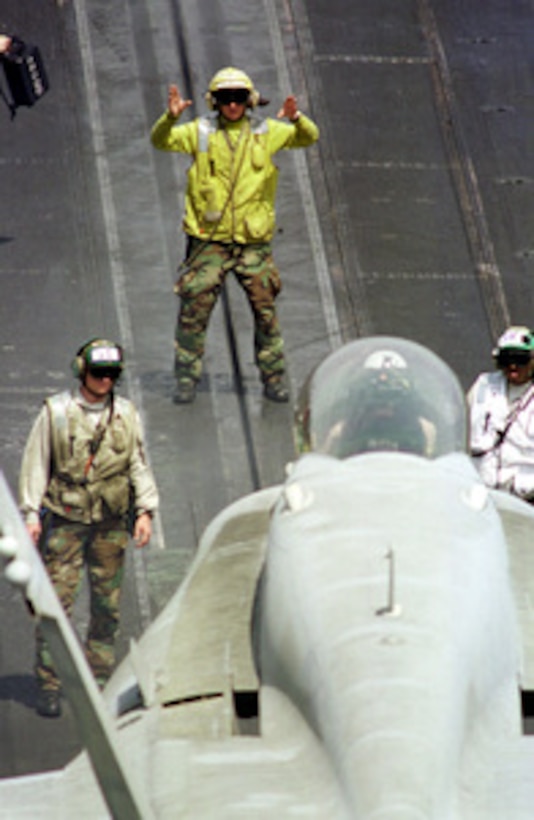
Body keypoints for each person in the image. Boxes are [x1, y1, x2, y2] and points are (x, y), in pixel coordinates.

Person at [150, 66, 319, 404]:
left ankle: (274, 379)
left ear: (249, 101)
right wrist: (168, 118)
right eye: (225, 99)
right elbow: (161, 141)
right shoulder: (200, 132)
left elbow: (308, 137)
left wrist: (296, 117)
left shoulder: (266, 131)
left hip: (252, 244)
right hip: (209, 241)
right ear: (215, 102)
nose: (231, 106)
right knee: (193, 312)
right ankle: (185, 380)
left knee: (265, 312)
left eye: (238, 99)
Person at [19, 339, 159, 717]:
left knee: (106, 608)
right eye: (98, 373)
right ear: (81, 371)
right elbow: (37, 464)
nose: (105, 381)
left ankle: (99, 680)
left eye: (112, 374)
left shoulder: (126, 414)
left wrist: (145, 510)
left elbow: (138, 463)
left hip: (110, 524)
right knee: (56, 607)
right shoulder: (57, 413)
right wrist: (31, 515)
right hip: (65, 522)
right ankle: (49, 681)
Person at [468, 325, 534, 499]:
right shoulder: (484, 385)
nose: (513, 366)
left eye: (520, 360)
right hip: (484, 492)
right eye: (507, 360)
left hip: (526, 497)